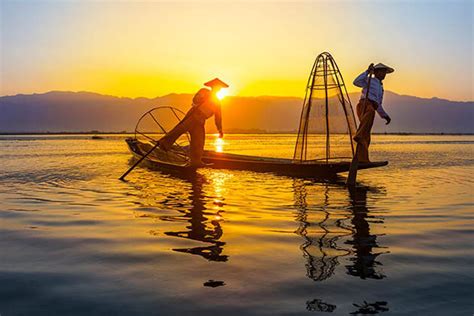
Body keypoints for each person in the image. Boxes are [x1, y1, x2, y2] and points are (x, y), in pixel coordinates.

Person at [158, 78, 228, 167]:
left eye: (219, 88)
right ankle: (163, 145)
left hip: (200, 121)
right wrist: (203, 98)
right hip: (193, 116)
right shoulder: (204, 92)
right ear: (212, 87)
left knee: (199, 141)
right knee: (178, 130)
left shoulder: (217, 102)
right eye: (216, 87)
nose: (218, 89)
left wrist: (220, 129)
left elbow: (218, 117)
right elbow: (195, 100)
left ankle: (196, 161)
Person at [353, 63, 394, 162]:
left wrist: (385, 116)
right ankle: (358, 135)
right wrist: (367, 71)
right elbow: (356, 82)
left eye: (384, 72)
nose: (383, 74)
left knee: (366, 137)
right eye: (381, 71)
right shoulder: (369, 80)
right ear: (375, 72)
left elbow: (378, 104)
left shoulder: (381, 88)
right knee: (370, 113)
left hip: (372, 106)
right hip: (364, 105)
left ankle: (361, 159)